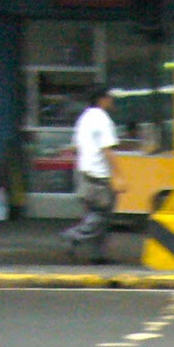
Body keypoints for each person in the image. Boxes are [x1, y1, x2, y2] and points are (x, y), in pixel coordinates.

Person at [62, 86, 125, 264]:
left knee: (94, 214)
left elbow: (75, 146)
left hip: (84, 171)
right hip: (98, 174)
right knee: (101, 215)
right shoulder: (102, 119)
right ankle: (73, 236)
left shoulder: (84, 117)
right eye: (109, 97)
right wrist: (118, 175)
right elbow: (107, 150)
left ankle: (98, 255)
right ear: (102, 99)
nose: (112, 100)